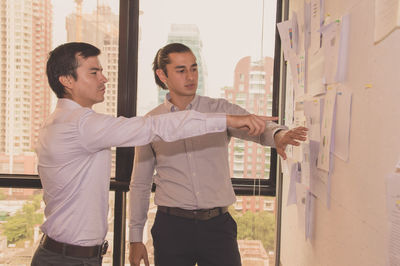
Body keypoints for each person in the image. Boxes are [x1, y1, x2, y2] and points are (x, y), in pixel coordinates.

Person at [31, 42, 276, 266]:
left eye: (101, 71)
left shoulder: (62, 122)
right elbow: (155, 129)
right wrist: (229, 120)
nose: (103, 78)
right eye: (94, 72)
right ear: (67, 80)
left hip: (70, 255)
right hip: (68, 259)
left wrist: (276, 134)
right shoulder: (81, 125)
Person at [128, 42, 308, 266]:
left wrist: (279, 135)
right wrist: (135, 238)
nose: (191, 76)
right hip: (171, 228)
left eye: (194, 68)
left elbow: (254, 126)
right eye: (181, 70)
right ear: (162, 75)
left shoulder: (219, 110)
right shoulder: (151, 123)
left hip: (217, 228)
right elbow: (140, 184)